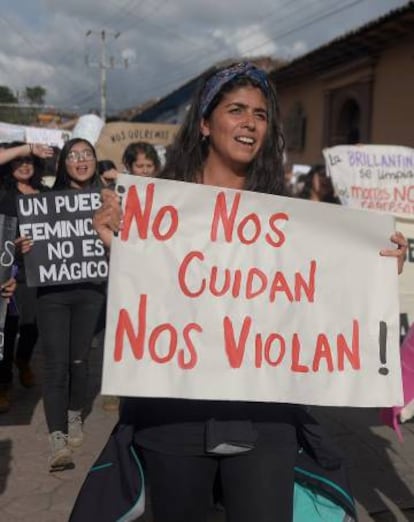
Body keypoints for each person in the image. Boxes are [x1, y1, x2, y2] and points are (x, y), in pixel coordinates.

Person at [80, 62, 408, 521]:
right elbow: (150, 296)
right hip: (173, 415)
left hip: (264, 416)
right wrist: (119, 247)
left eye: (259, 113)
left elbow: (315, 301)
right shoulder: (158, 209)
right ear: (205, 123)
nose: (250, 123)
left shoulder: (290, 220)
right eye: (236, 110)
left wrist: (370, 271)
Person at [35, 138, 106, 471]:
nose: (81, 161)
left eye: (87, 155)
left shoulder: (109, 199)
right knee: (55, 364)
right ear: (64, 164)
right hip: (52, 293)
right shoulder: (45, 201)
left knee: (79, 360)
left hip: (90, 290)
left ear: (95, 160)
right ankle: (57, 439)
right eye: (74, 156)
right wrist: (26, 245)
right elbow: (33, 245)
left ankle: (75, 411)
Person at [0, 142, 52, 412]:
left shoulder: (45, 193)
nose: (24, 165)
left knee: (32, 327)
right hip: (9, 272)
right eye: (20, 160)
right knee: (8, 328)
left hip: (38, 271)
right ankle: (4, 383)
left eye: (30, 161)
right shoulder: (3, 192)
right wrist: (12, 245)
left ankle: (23, 360)